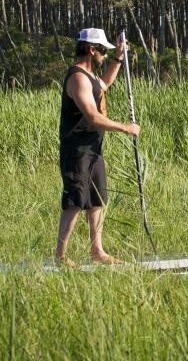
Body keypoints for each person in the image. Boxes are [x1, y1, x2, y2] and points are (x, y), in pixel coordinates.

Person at [55, 28, 140, 266]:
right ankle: (60, 256)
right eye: (103, 50)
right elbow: (92, 117)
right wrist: (125, 128)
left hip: (93, 147)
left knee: (95, 199)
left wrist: (118, 58)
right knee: (75, 199)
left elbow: (103, 84)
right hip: (77, 149)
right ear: (91, 49)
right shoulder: (77, 77)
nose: (104, 54)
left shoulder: (90, 76)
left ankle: (97, 252)